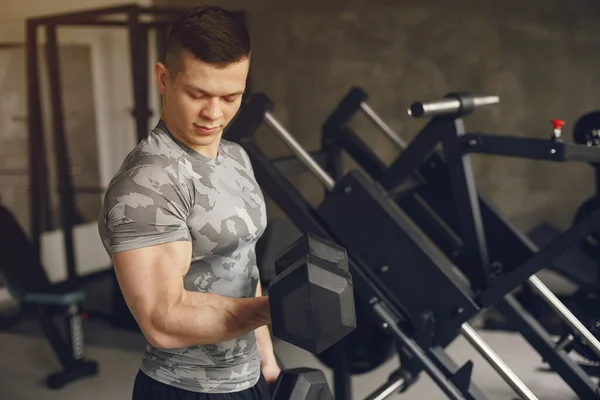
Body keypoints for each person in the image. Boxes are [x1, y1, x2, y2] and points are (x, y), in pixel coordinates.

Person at [97, 5, 279, 400]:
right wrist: (278, 308)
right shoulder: (146, 184)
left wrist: (266, 358)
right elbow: (163, 320)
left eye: (231, 97)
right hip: (185, 389)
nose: (214, 113)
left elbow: (244, 262)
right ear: (164, 78)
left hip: (247, 379)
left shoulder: (235, 156)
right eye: (198, 94)